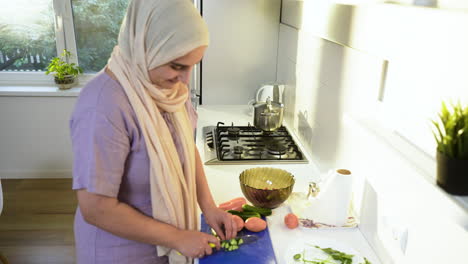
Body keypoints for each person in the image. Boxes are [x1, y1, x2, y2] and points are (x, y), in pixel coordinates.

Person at [69, 0, 237, 263]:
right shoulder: (103, 106)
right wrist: (178, 238)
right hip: (120, 253)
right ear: (145, 47)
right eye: (177, 66)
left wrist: (209, 208)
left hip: (167, 246)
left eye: (192, 65)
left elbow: (185, 149)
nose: (185, 80)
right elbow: (96, 208)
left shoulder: (167, 90)